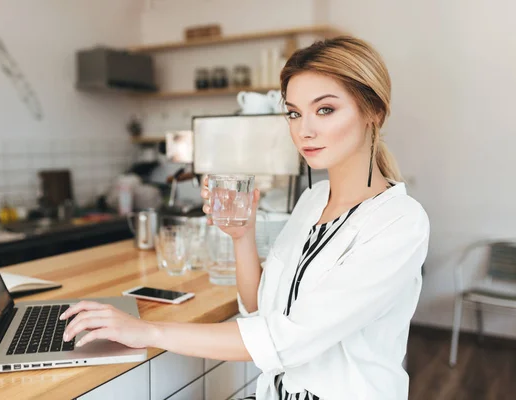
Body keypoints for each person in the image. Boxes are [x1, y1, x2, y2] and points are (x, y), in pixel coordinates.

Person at [59, 36, 430, 400]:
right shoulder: (313, 201)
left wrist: (147, 331)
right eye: (294, 113)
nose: (304, 130)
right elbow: (259, 309)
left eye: (325, 110)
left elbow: (285, 340)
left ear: (373, 112)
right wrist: (242, 236)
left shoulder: (399, 222)